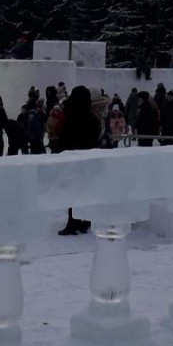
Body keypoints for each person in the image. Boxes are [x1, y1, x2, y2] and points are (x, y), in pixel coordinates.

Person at [55, 85, 101, 234]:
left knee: (72, 194)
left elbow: (64, 139)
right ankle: (85, 221)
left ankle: (73, 222)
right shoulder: (92, 119)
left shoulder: (71, 118)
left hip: (72, 161)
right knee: (86, 193)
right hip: (88, 161)